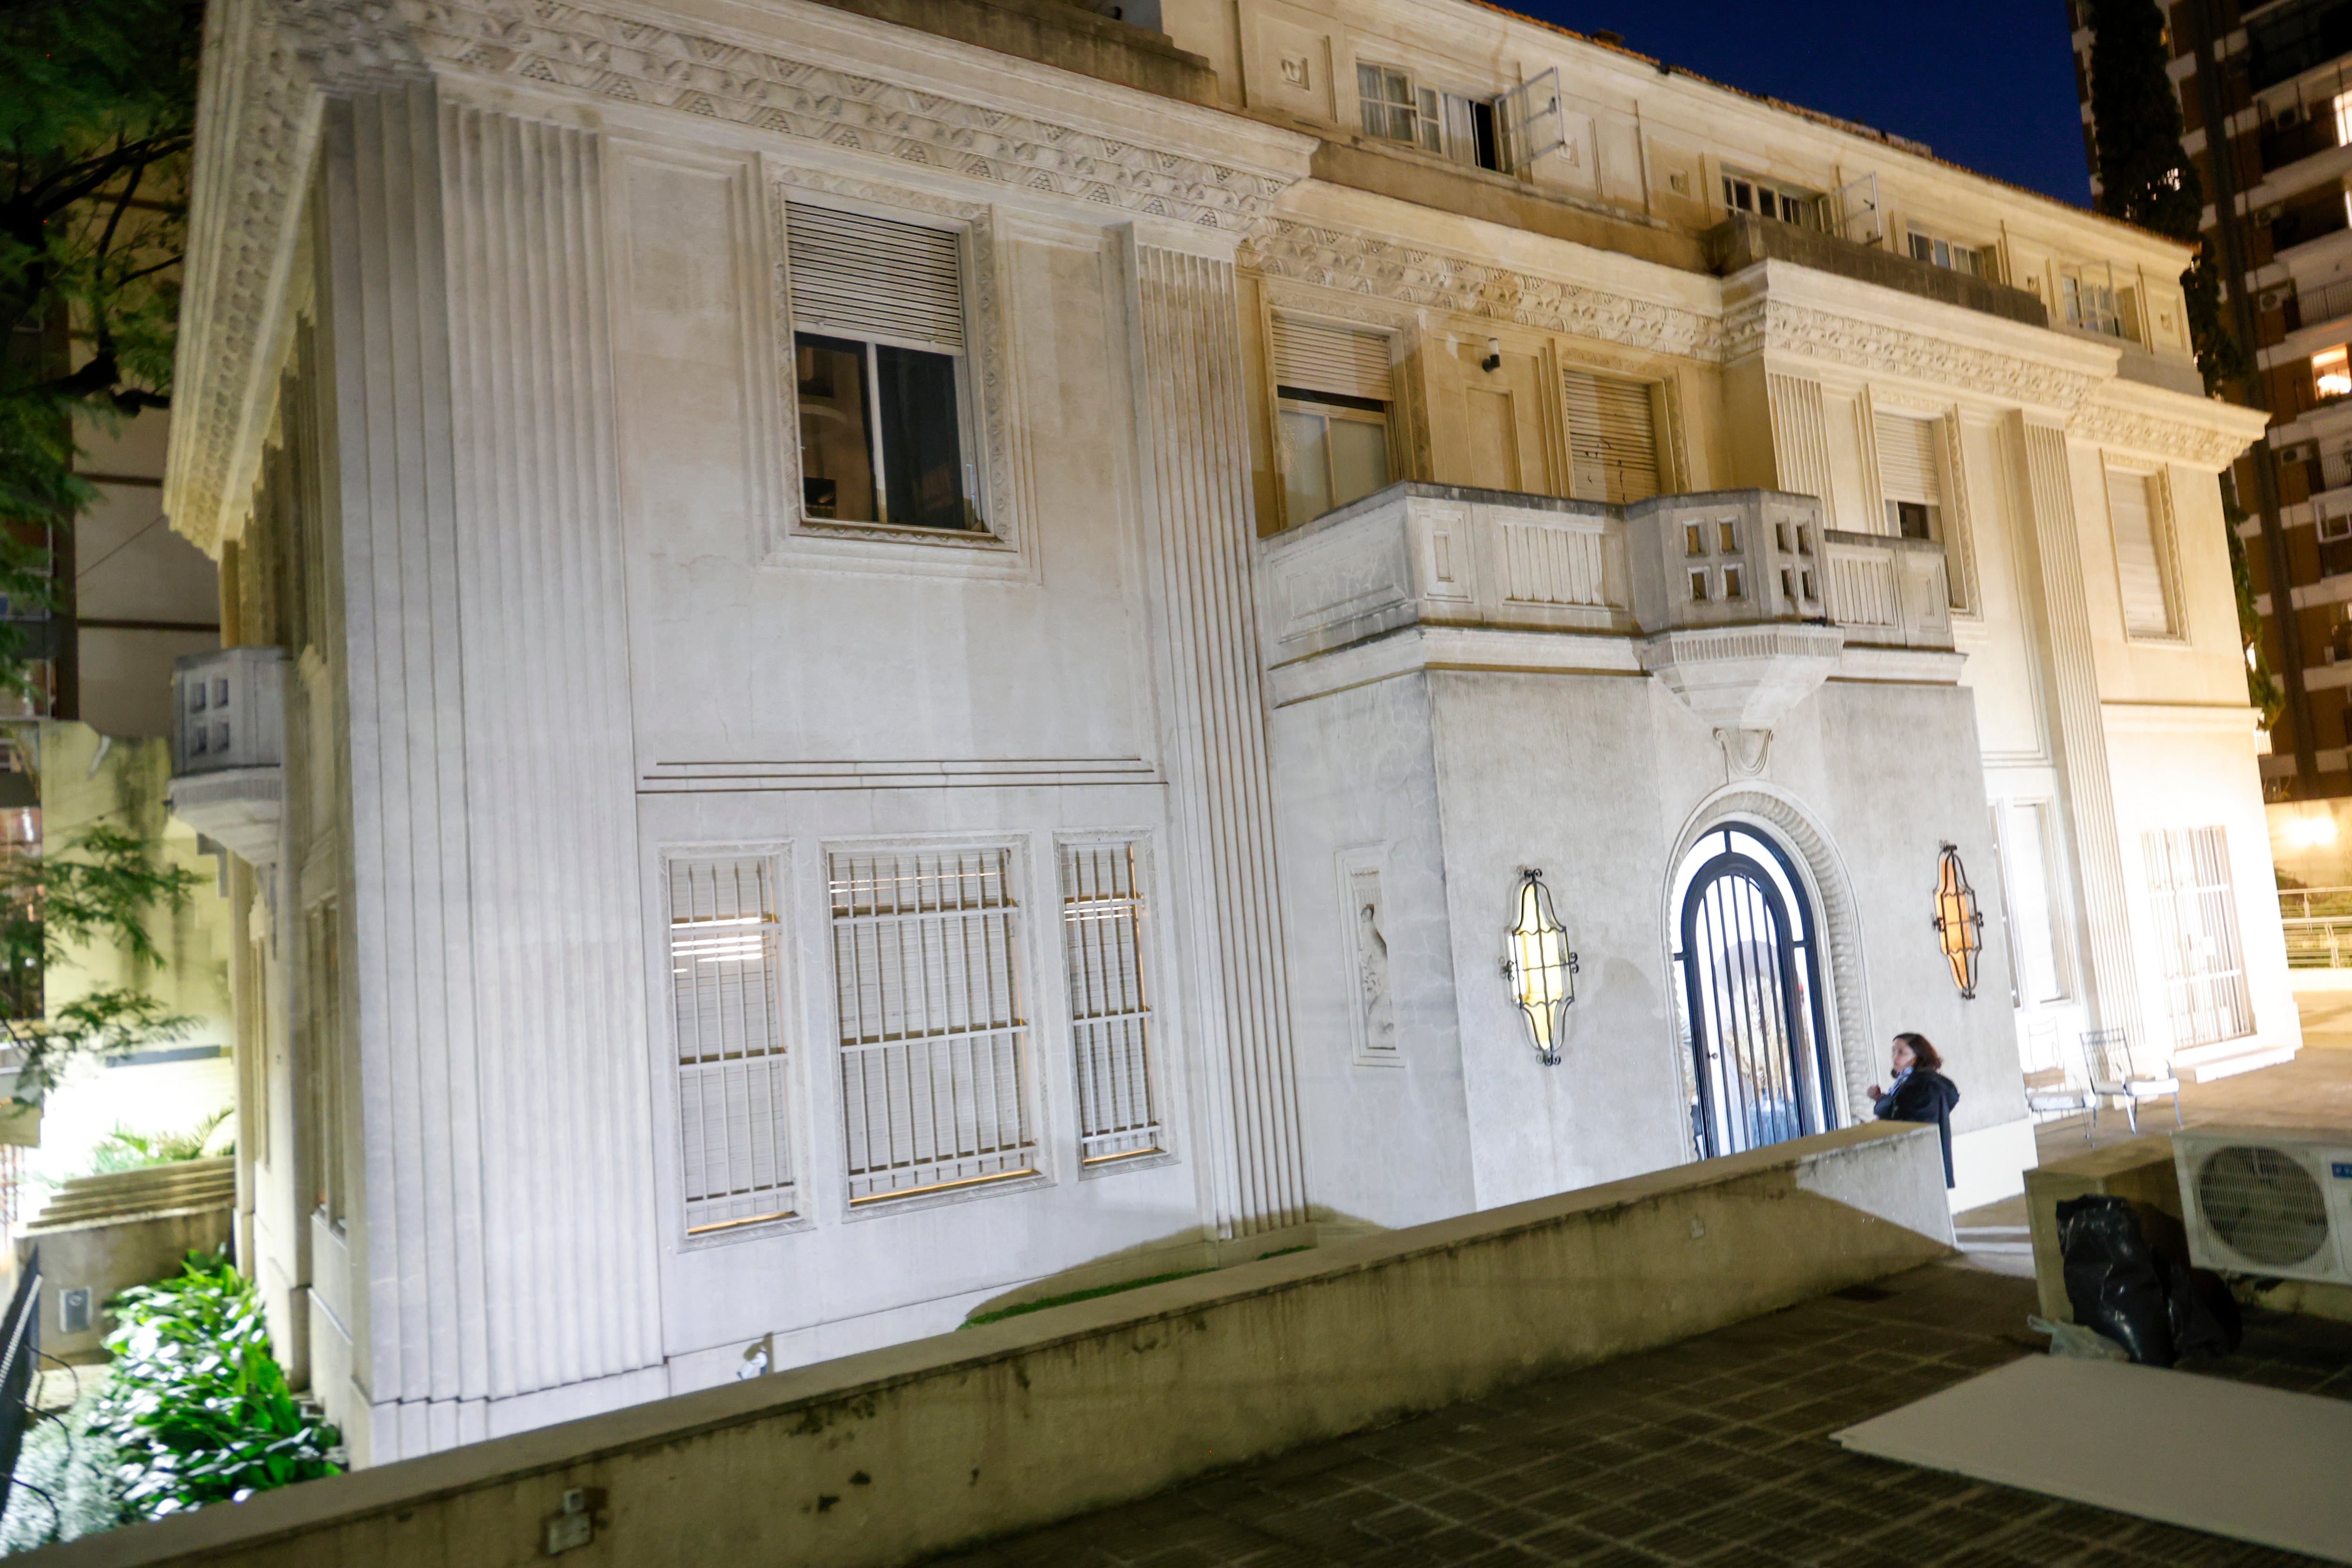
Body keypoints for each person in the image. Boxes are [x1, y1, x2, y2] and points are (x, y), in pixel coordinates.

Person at [1867, 1033, 1960, 1188]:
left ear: (1918, 1056)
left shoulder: (1925, 1085)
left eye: (1901, 1052)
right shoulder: (1907, 1081)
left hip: (1920, 1158)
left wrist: (1883, 1112)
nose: (1895, 1057)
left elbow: (1915, 1120)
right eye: (1893, 1051)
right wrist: (1879, 1098)